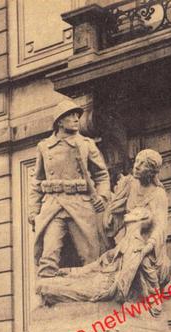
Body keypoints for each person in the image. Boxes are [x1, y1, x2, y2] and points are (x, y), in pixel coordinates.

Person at [36, 149, 171, 315]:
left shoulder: (158, 195)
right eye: (136, 161)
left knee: (110, 281)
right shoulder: (130, 184)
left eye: (143, 164)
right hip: (123, 249)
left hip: (147, 253)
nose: (136, 166)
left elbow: (160, 227)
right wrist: (100, 212)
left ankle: (61, 285)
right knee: (99, 268)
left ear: (151, 172)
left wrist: (147, 248)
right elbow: (112, 217)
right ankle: (67, 277)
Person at [28, 99, 111, 278]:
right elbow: (37, 182)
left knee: (90, 257)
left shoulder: (87, 144)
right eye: (71, 115)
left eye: (77, 116)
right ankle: (47, 300)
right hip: (53, 206)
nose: (76, 119)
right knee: (48, 256)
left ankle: (91, 297)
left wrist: (103, 197)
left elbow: (102, 175)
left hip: (80, 204)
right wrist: (33, 211)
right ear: (59, 121)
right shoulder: (44, 147)